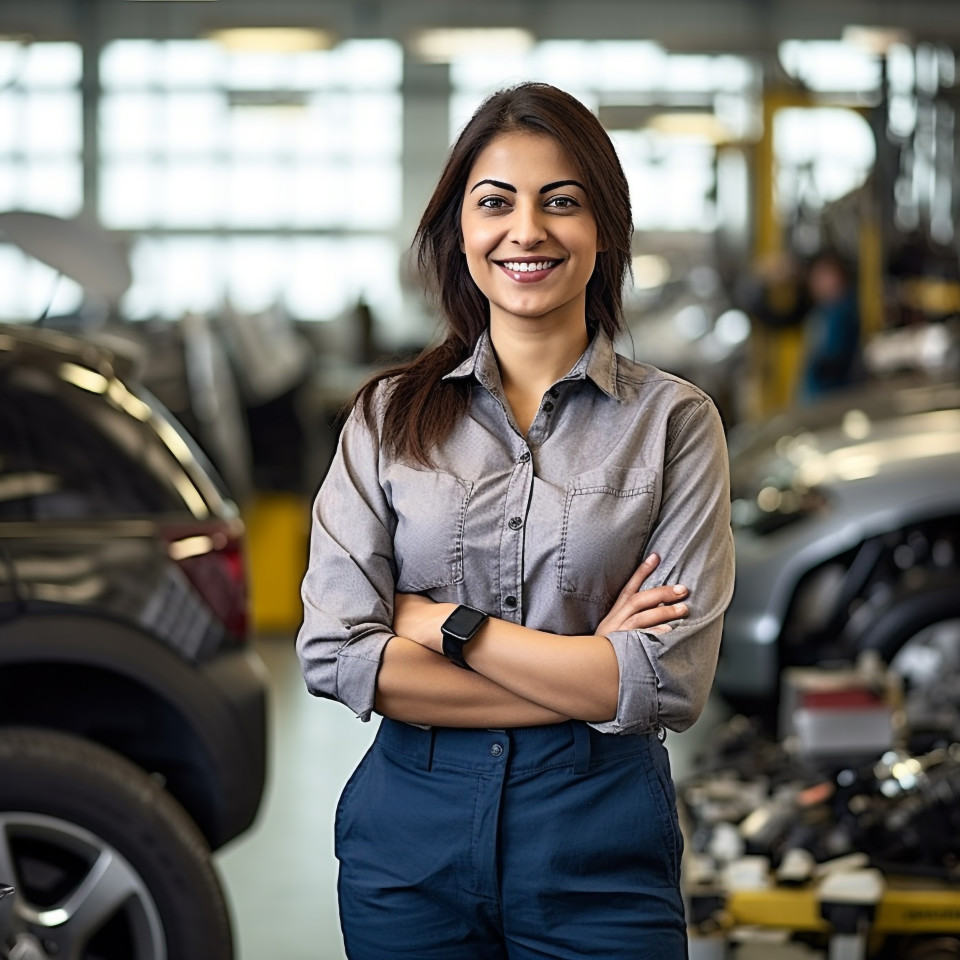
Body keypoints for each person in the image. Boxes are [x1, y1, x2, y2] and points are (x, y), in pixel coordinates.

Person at [297, 82, 735, 959]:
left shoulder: (675, 425)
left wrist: (440, 626)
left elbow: (668, 684)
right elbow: (336, 654)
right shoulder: (387, 417)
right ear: (459, 229)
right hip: (406, 852)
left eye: (561, 202)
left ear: (603, 228)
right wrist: (590, 674)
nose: (526, 230)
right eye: (495, 201)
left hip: (599, 849)